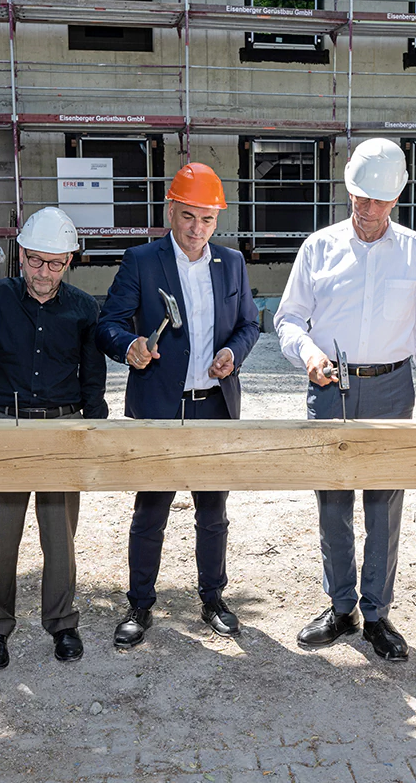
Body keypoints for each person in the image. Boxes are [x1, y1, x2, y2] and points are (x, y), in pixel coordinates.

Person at [275, 138, 416, 663]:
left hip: (391, 387)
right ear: (348, 190)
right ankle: (340, 605)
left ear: (396, 199)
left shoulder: (415, 250)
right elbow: (287, 318)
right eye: (359, 198)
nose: (366, 210)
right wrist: (307, 353)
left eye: (378, 201)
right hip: (330, 386)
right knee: (332, 502)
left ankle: (376, 612)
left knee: (384, 504)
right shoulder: (318, 247)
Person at [96, 163, 259, 650]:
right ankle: (139, 604)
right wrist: (130, 347)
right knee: (151, 511)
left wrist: (233, 353)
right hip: (160, 407)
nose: (197, 229)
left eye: (207, 220)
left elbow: (250, 324)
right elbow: (109, 324)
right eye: (188, 216)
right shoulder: (142, 261)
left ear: (216, 221)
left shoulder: (230, 264)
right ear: (170, 211)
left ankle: (213, 598)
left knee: (214, 511)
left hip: (213, 405)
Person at [0, 207, 108, 670]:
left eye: (56, 264)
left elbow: (93, 380)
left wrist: (93, 431)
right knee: (1, 535)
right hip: (3, 423)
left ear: (69, 261)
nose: (44, 273)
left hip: (60, 424)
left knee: (60, 537)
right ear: (20, 255)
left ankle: (63, 622)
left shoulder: (83, 308)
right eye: (36, 261)